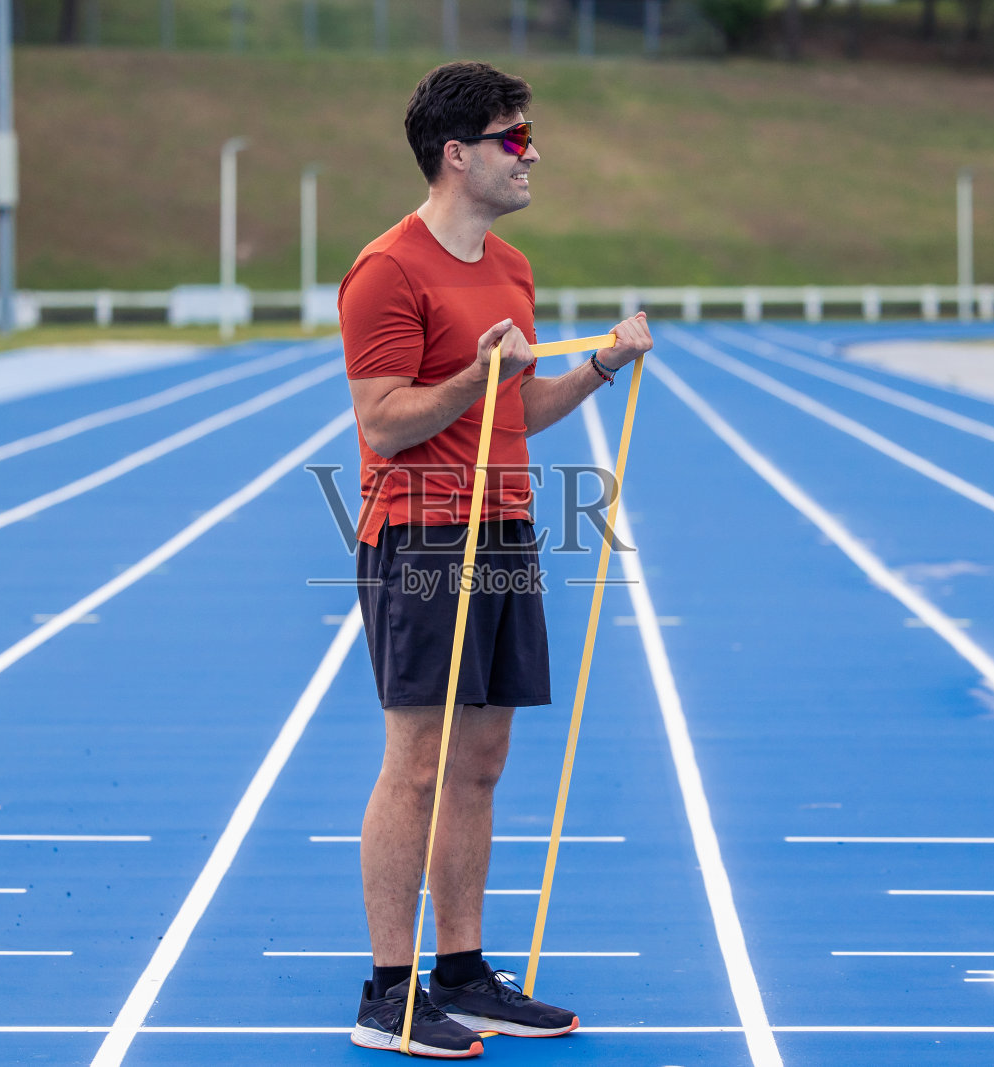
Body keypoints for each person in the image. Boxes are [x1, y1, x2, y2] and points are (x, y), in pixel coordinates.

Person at [338, 60, 653, 1058]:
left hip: (505, 524)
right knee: (419, 762)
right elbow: (383, 425)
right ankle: (387, 991)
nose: (532, 154)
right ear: (457, 152)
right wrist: (476, 377)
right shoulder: (386, 268)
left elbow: (516, 409)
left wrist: (599, 364)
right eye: (516, 138)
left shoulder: (510, 268)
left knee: (480, 762)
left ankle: (463, 971)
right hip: (421, 531)